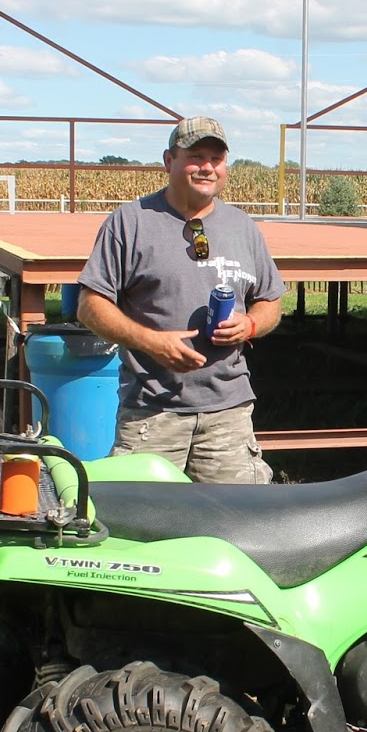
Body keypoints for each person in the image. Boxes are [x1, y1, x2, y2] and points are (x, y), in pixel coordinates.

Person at [77, 116, 284, 482]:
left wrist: (250, 324)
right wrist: (151, 342)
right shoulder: (131, 222)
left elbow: (270, 301)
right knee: (141, 527)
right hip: (151, 415)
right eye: (196, 156)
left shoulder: (242, 227)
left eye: (216, 160)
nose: (207, 167)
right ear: (169, 161)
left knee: (235, 524)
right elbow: (90, 305)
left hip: (228, 416)